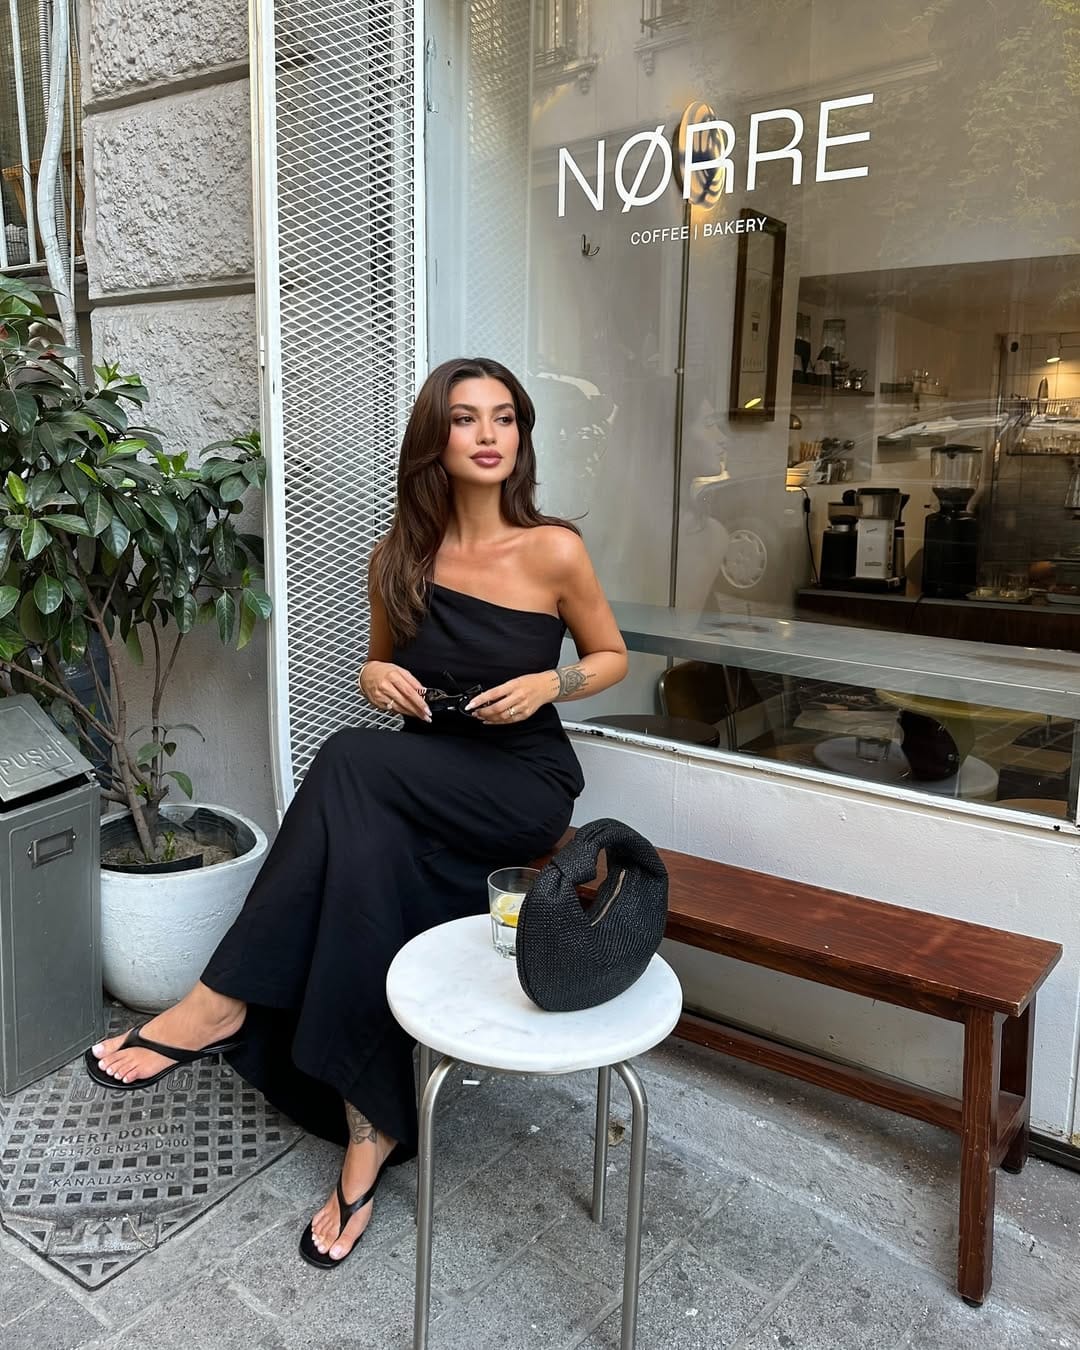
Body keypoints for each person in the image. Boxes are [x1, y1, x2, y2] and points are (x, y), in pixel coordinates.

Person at [85, 356, 628, 1269]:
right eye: (467, 419)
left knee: (343, 762)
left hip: (521, 783)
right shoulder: (399, 559)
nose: (491, 434)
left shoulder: (554, 550)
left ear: (521, 436)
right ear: (437, 440)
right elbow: (380, 674)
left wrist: (551, 679)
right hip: (420, 772)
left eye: (506, 418)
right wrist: (373, 675)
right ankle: (369, 1123)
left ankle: (219, 1004)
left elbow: (612, 656)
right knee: (364, 860)